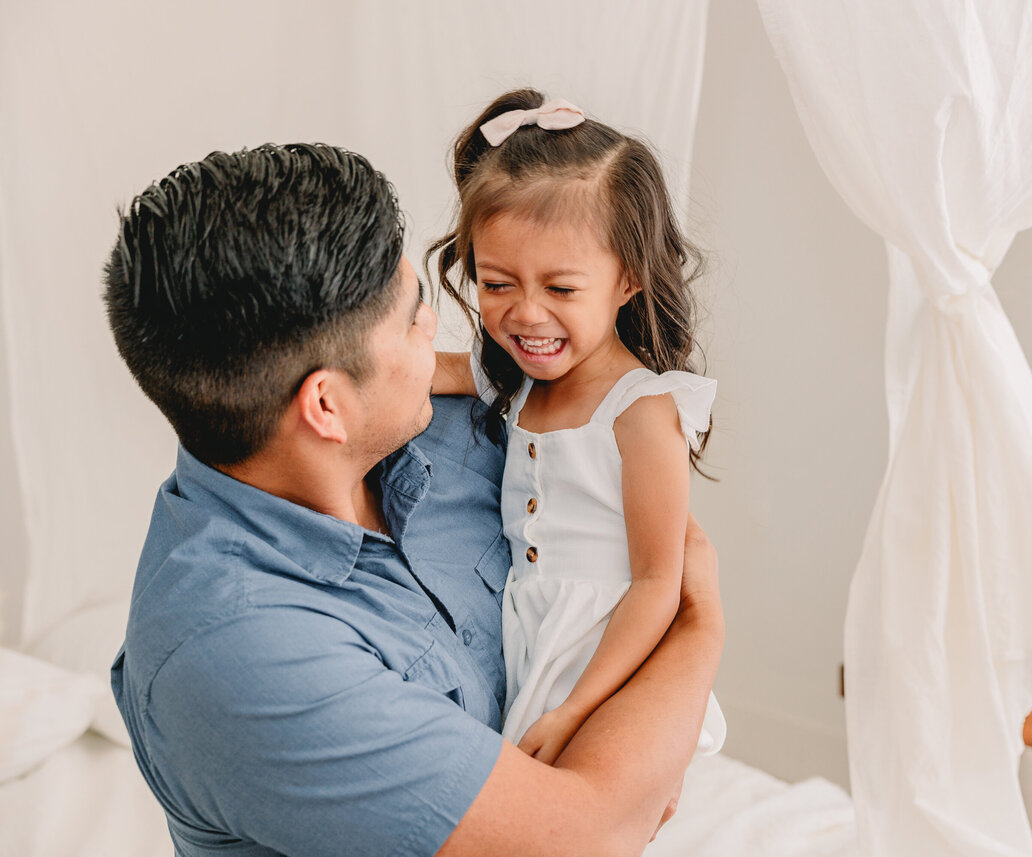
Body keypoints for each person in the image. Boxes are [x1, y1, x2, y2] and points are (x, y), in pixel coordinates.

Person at [104, 143, 723, 857]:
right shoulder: (242, 655)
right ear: (327, 406)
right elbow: (587, 837)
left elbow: (620, 554)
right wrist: (701, 622)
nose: (439, 330)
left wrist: (652, 741)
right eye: (411, 318)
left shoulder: (454, 433)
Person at [430, 90, 725, 764]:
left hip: (608, 665)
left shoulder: (642, 411)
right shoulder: (515, 378)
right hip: (531, 646)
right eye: (498, 283)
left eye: (560, 289)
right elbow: (408, 370)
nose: (526, 314)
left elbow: (658, 585)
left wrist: (573, 710)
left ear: (627, 280)